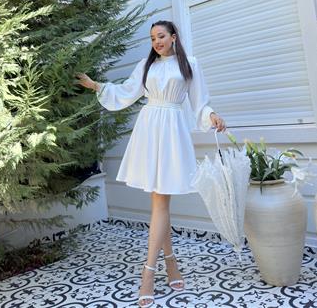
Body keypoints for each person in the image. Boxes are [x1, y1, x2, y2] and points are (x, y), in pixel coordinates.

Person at [75, 20, 226, 307]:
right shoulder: (147, 65)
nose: (156, 41)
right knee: (159, 202)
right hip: (149, 131)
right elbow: (127, 91)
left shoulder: (190, 64)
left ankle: (150, 272)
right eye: (153, 38)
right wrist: (95, 85)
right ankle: (169, 263)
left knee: (160, 203)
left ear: (173, 37)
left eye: (161, 36)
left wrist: (212, 116)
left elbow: (200, 103)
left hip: (173, 132)